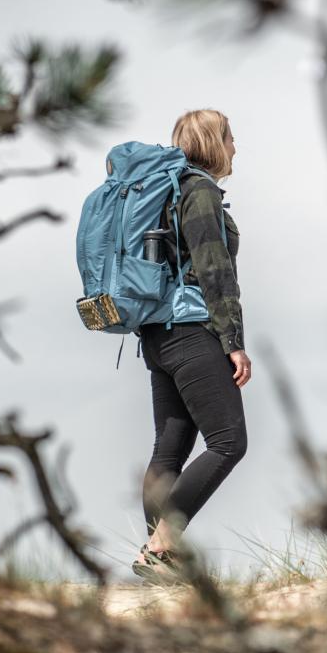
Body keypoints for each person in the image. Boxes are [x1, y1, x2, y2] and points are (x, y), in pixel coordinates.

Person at [132, 109, 250, 579]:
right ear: (214, 143)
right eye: (230, 136)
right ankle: (161, 547)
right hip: (192, 330)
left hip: (158, 336)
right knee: (228, 442)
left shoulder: (165, 192)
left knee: (170, 450)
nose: (235, 146)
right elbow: (212, 269)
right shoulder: (199, 191)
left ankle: (158, 557)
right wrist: (233, 340)